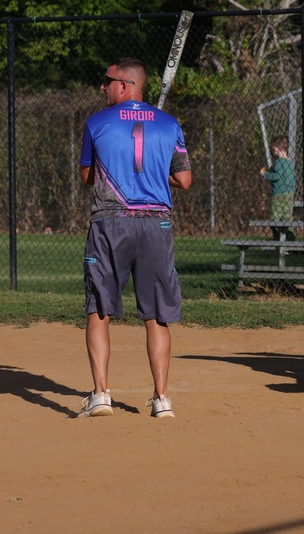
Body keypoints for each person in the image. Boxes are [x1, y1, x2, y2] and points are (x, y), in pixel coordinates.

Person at [77, 58, 192, 419]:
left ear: (124, 85)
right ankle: (162, 400)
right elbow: (184, 180)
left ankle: (101, 394)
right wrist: (156, 173)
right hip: (156, 223)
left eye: (107, 81)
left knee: (99, 308)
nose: (102, 87)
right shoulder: (169, 123)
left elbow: (87, 177)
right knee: (156, 314)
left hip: (111, 222)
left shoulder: (96, 122)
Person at [260, 135, 296, 241]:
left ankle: (276, 237)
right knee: (287, 217)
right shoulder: (290, 162)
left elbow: (277, 176)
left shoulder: (278, 162)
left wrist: (265, 174)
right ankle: (290, 238)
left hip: (279, 195)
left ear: (276, 148)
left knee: (274, 218)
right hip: (289, 194)